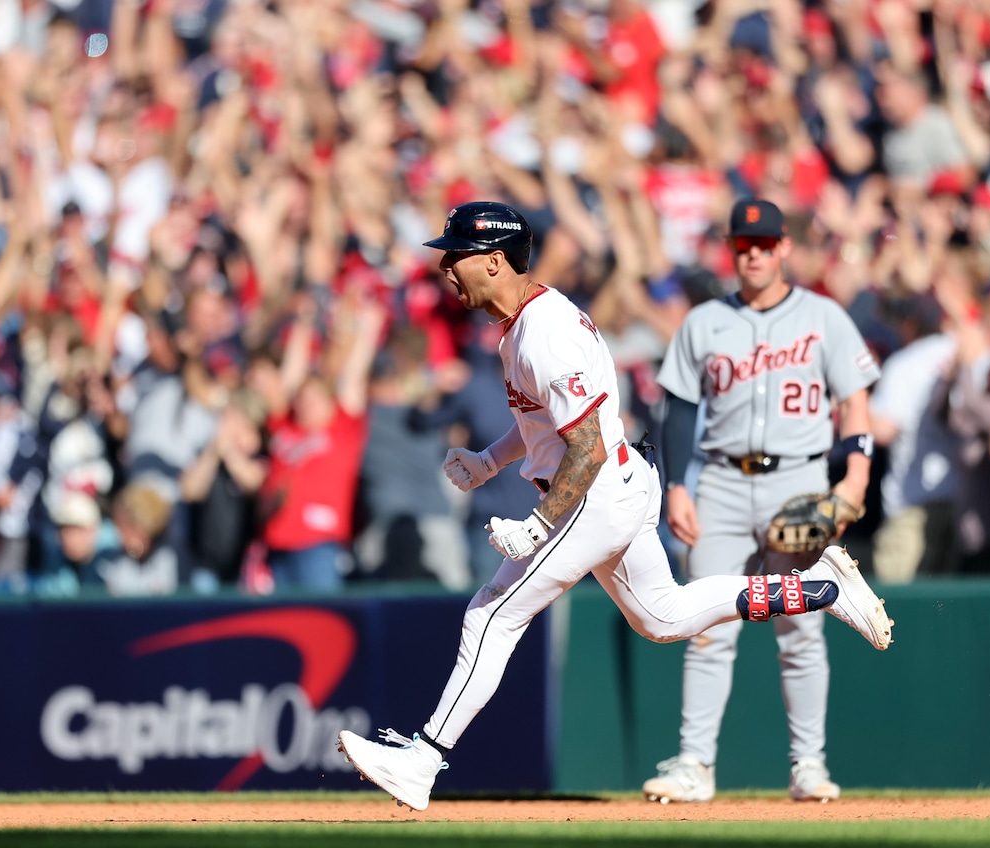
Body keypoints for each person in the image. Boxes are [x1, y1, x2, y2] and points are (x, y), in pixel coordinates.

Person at [336, 201, 894, 812]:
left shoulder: (543, 332)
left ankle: (423, 760)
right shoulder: (524, 323)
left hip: (594, 492)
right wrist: (490, 463)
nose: (445, 266)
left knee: (491, 618)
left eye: (457, 255)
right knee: (664, 618)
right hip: (614, 487)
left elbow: (587, 446)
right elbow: (545, 423)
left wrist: (539, 526)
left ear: (494, 262)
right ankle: (817, 587)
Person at [642, 198, 883, 805]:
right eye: (743, 245)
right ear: (733, 251)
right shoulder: (704, 322)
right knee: (703, 626)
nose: (753, 254)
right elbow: (679, 409)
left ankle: (809, 764)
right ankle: (695, 764)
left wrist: (854, 477)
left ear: (783, 249)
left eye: (764, 244)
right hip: (719, 481)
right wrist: (676, 485)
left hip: (797, 481)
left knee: (799, 627)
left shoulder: (824, 317)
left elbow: (855, 404)